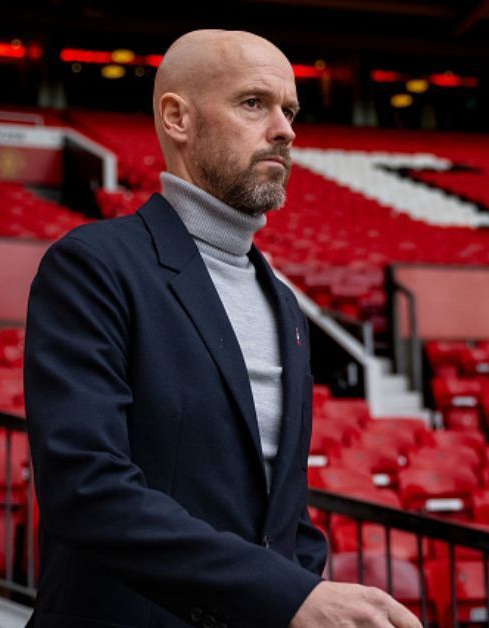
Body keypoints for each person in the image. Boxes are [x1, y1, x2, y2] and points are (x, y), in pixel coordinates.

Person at [24, 30, 420, 628]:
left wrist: (310, 591)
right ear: (177, 118)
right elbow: (87, 490)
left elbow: (286, 519)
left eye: (289, 110)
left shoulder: (285, 306)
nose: (286, 129)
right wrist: (286, 597)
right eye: (254, 103)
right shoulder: (93, 264)